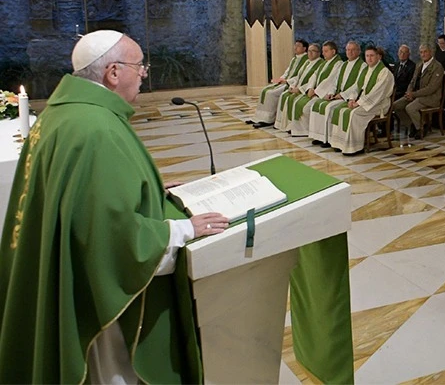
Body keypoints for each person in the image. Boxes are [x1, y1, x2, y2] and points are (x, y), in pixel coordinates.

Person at [0, 31, 228, 383]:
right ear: (113, 72)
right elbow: (111, 233)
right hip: (98, 302)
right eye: (140, 66)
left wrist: (153, 189)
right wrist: (185, 228)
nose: (144, 74)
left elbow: (86, 192)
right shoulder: (95, 128)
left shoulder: (69, 113)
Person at [330, 45, 395, 155]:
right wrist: (351, 99)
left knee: (354, 114)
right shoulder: (365, 70)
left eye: (372, 56)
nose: (369, 58)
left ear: (378, 57)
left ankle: (355, 147)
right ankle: (340, 144)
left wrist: (359, 103)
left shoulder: (384, 72)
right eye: (367, 56)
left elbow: (377, 92)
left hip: (379, 104)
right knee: (341, 110)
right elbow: (356, 87)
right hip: (366, 101)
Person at [308, 41, 365, 147]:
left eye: (353, 50)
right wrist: (331, 93)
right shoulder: (344, 65)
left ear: (358, 51)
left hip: (349, 97)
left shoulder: (362, 66)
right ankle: (319, 136)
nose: (350, 52)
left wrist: (342, 95)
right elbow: (335, 81)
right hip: (337, 95)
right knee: (317, 105)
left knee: (329, 108)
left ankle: (329, 139)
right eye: (348, 50)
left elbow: (357, 85)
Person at [285, 41, 343, 137]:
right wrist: (310, 88)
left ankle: (314, 133)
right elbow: (314, 76)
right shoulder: (324, 63)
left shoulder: (338, 64)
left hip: (325, 93)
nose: (323, 53)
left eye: (325, 51)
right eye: (323, 51)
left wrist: (316, 91)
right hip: (316, 91)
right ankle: (302, 130)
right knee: (298, 103)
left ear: (333, 51)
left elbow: (330, 80)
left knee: (309, 107)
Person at [393, 44, 445, 139]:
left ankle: (421, 127)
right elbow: (412, 81)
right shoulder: (419, 65)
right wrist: (409, 92)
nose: (423, 54)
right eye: (421, 52)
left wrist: (414, 94)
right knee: (396, 106)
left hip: (430, 97)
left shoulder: (437, 67)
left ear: (431, 52)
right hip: (416, 95)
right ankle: (413, 124)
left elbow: (431, 88)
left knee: (410, 108)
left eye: (425, 52)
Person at [251, 39, 308, 127]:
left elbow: (300, 75)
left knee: (271, 94)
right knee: (264, 90)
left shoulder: (306, 60)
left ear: (304, 48)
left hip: (292, 83)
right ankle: (259, 118)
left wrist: (287, 81)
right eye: (295, 45)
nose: (295, 48)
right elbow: (288, 71)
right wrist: (281, 78)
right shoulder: (294, 59)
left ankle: (268, 119)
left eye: (298, 46)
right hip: (285, 81)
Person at [273, 43, 324, 132]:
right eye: (309, 51)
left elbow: (312, 81)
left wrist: (300, 89)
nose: (310, 53)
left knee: (296, 101)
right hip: (299, 87)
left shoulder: (320, 64)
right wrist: (293, 86)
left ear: (319, 53)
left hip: (307, 90)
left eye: (313, 51)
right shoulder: (307, 62)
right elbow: (298, 77)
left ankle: (299, 129)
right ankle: (286, 125)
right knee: (285, 96)